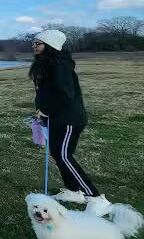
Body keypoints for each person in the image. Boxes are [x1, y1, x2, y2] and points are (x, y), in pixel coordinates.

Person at [29, 29, 111, 216]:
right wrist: (42, 112)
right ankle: (75, 192)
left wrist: (47, 110)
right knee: (58, 153)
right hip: (56, 117)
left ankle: (97, 199)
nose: (34, 46)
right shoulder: (47, 63)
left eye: (38, 43)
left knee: (64, 155)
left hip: (69, 119)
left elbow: (66, 95)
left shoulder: (59, 65)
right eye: (34, 42)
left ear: (50, 46)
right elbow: (48, 92)